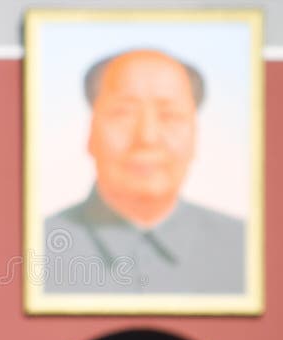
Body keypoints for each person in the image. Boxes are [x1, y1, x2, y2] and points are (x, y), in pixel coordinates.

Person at [44, 49, 244, 294]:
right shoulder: (37, 248)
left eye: (169, 116)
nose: (147, 137)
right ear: (89, 132)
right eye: (123, 113)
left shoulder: (244, 249)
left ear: (195, 136)